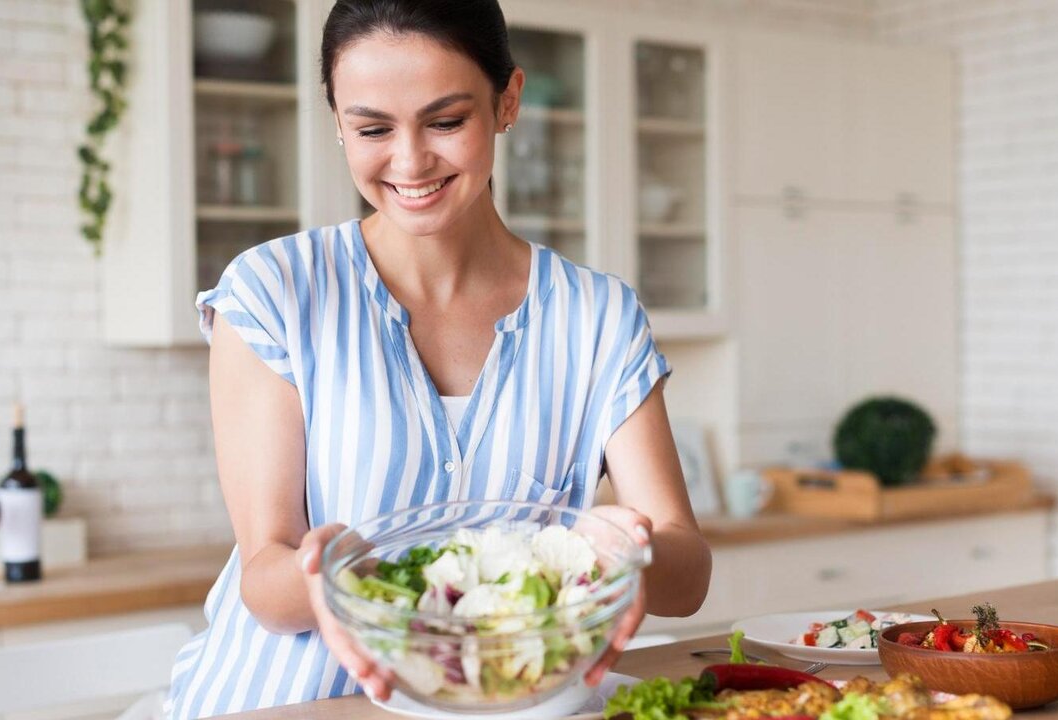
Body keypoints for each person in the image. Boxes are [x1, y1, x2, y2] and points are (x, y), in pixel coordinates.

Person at [167, 0, 712, 716]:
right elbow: (266, 578)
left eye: (446, 121)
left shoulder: (596, 317)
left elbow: (686, 568)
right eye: (372, 128)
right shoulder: (275, 291)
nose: (410, 160)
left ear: (507, 101)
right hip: (284, 702)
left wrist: (626, 553)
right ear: (337, 120)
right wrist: (334, 579)